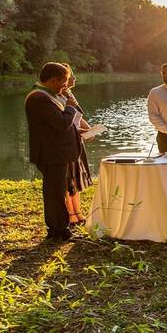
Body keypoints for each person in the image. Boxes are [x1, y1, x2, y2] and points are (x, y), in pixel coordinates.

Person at [24, 62, 82, 241]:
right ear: (52, 79)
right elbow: (61, 123)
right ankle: (59, 229)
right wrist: (71, 107)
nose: (65, 85)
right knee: (55, 192)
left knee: (56, 190)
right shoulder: (38, 98)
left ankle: (57, 228)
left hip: (56, 152)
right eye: (63, 81)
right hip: (51, 154)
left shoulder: (50, 95)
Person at [59, 67, 92, 226]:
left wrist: (89, 130)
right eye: (71, 76)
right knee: (68, 178)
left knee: (77, 178)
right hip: (67, 141)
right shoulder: (59, 96)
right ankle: (70, 213)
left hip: (77, 140)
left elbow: (78, 116)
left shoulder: (70, 95)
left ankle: (78, 211)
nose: (75, 78)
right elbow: (65, 121)